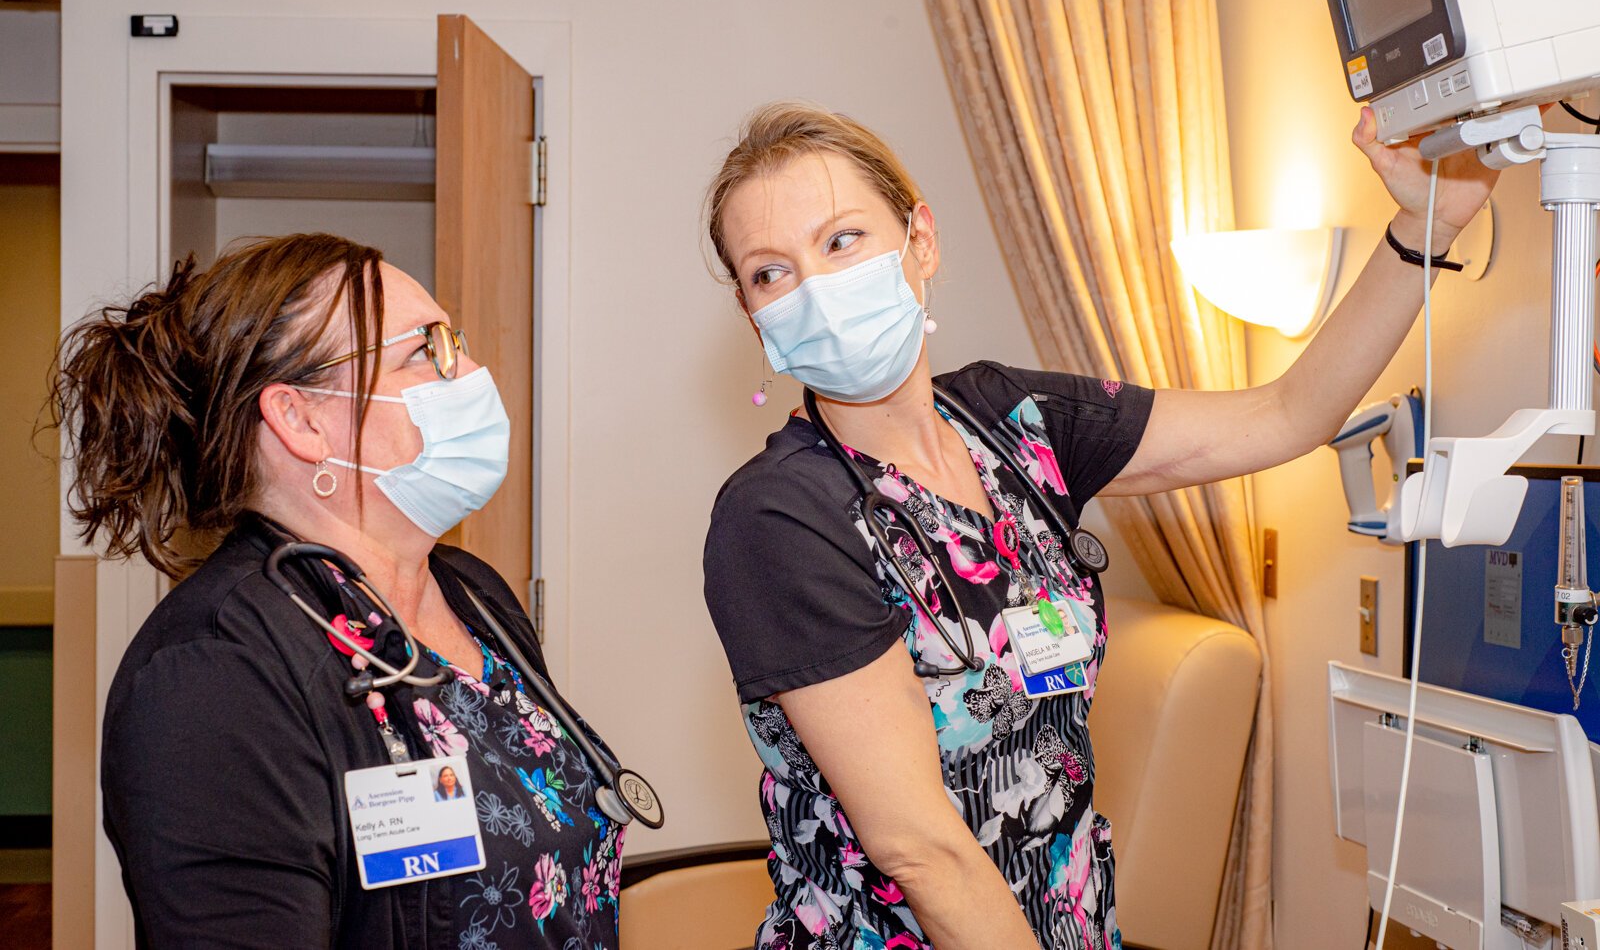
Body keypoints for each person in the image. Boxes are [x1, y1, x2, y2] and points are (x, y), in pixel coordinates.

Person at [700, 103, 1495, 949]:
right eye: (771, 273)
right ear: (756, 318)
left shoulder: (1013, 420)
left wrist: (1424, 225)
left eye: (842, 241)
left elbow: (1285, 415)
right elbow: (921, 851)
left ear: (920, 240)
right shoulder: (779, 517)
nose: (816, 290)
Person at [59, 234, 625, 948]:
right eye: (425, 352)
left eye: (456, 343)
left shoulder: (473, 596)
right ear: (300, 419)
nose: (472, 372)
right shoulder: (211, 674)